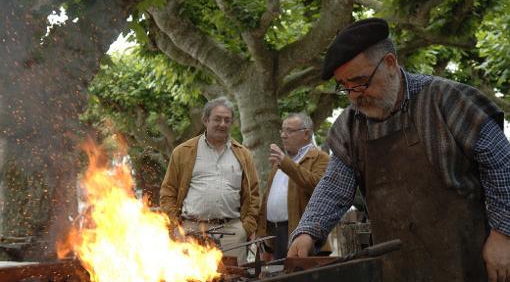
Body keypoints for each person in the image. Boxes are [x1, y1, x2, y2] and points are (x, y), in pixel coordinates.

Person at [287, 18, 510, 282]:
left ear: (390, 63)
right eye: (345, 87)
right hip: (398, 268)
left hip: (467, 262)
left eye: (360, 81)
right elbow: (335, 185)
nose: (355, 95)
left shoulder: (447, 101)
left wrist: (503, 235)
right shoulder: (350, 126)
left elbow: (502, 166)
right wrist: (308, 231)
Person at [159, 96, 260, 265]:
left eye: (227, 120)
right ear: (205, 120)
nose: (222, 124)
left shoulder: (243, 154)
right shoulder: (183, 151)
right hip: (192, 230)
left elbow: (254, 194)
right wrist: (176, 226)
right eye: (217, 119)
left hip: (232, 232)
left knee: (233, 277)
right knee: (192, 277)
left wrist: (245, 228)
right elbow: (168, 191)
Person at [257, 113, 330, 260]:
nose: (283, 135)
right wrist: (261, 232)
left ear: (306, 134)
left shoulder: (320, 158)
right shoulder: (281, 161)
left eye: (289, 131)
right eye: (282, 131)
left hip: (303, 235)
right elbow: (267, 199)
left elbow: (316, 186)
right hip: (275, 235)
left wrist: (285, 164)